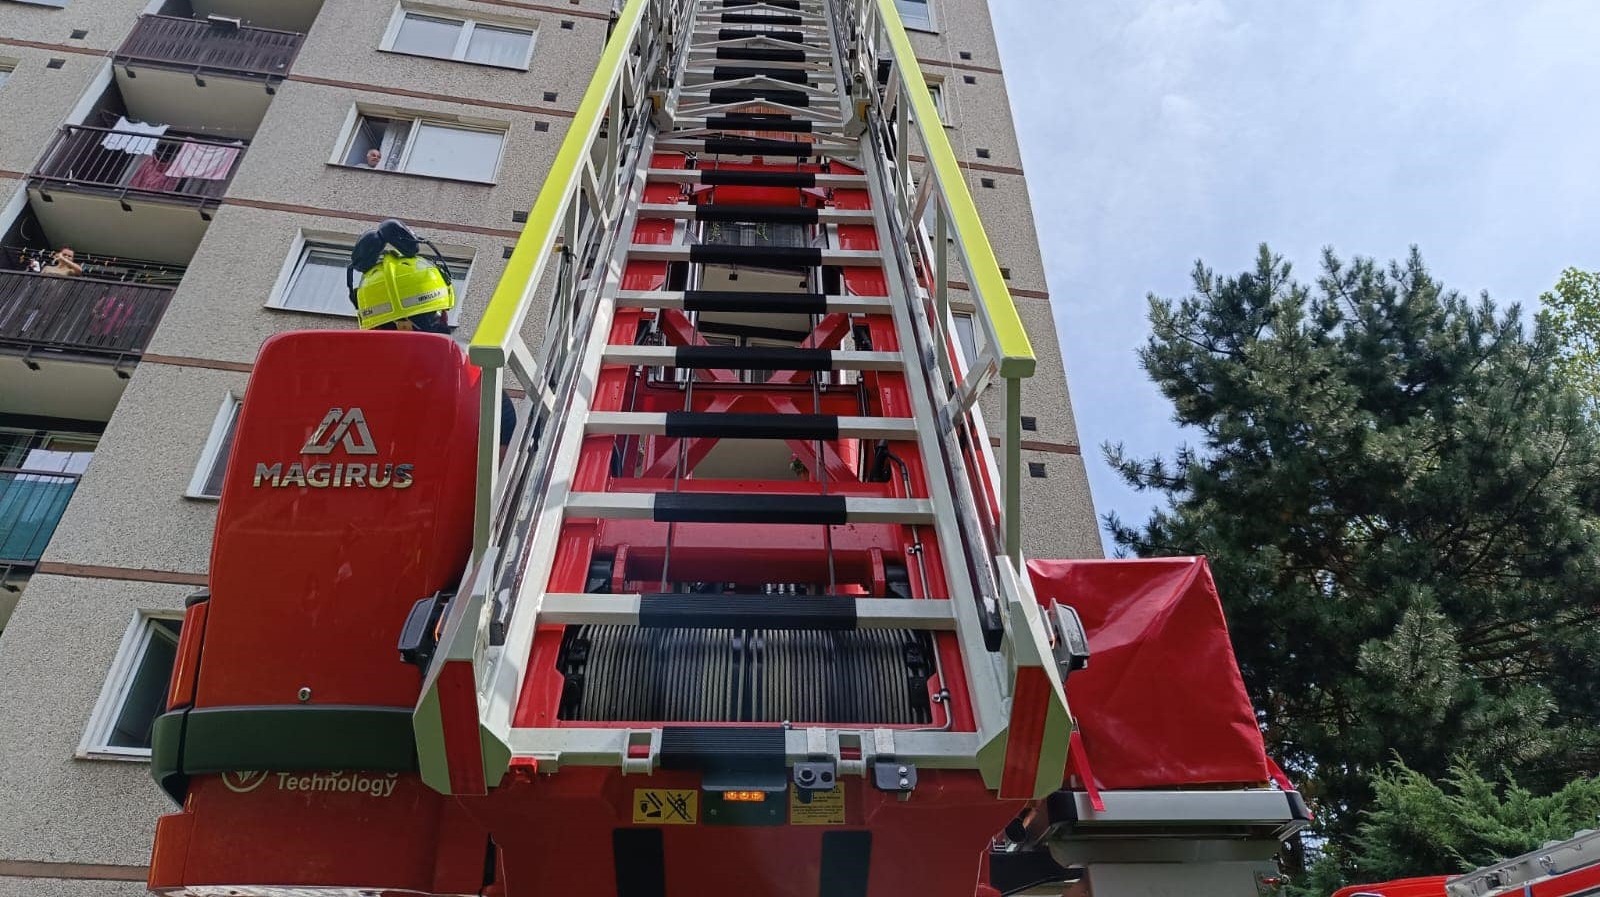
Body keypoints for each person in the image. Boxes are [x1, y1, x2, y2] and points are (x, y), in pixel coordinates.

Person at [347, 219, 518, 450]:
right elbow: (502, 470)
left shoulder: (347, 386)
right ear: (444, 315)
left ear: (371, 327)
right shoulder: (480, 386)